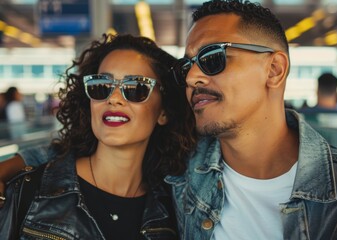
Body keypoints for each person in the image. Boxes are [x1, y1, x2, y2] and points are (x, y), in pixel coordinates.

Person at [167, 0, 337, 239]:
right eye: (186, 67)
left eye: (212, 57)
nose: (192, 78)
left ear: (274, 69)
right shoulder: (177, 177)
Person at [0, 33, 196, 239]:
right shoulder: (25, 192)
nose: (114, 99)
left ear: (163, 112)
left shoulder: (174, 212)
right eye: (101, 86)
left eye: (136, 88)